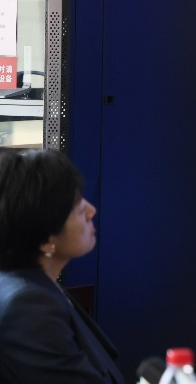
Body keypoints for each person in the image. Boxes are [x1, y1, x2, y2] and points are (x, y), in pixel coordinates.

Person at [0, 149, 125, 384]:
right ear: (46, 240)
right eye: (79, 210)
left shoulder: (34, 286)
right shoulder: (29, 308)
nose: (92, 211)